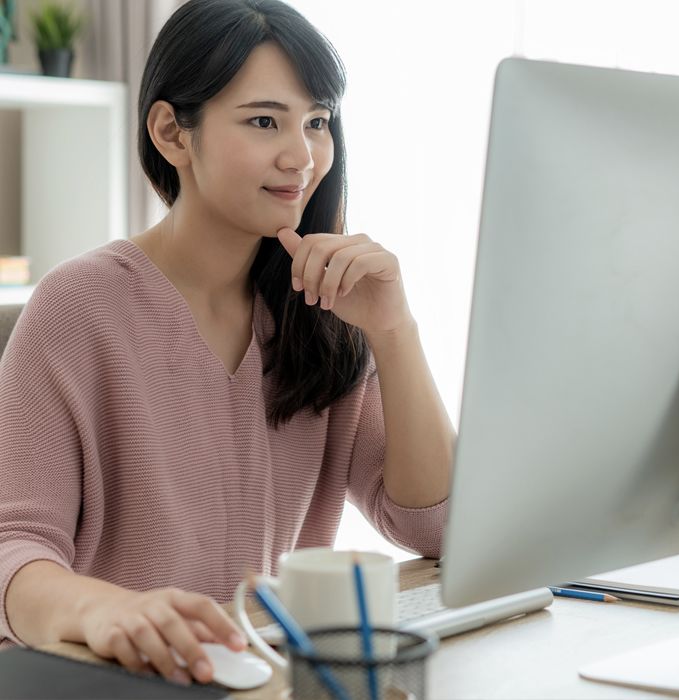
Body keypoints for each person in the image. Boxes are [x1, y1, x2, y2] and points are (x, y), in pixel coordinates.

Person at [0, 0, 455, 687]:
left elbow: (437, 530)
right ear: (171, 132)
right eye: (264, 120)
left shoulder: (323, 314)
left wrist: (394, 332)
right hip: (102, 680)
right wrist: (105, 612)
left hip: (263, 678)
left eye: (318, 122)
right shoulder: (78, 307)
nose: (302, 155)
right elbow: (12, 549)